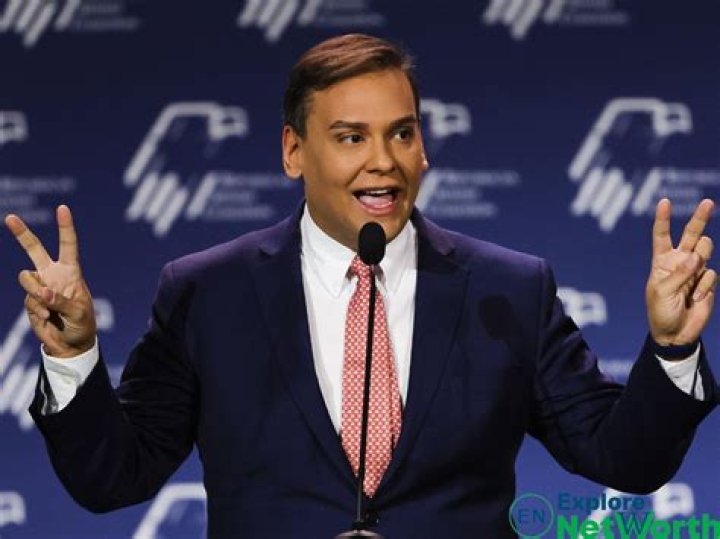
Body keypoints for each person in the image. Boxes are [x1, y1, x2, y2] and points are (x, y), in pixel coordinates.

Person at [4, 34, 718, 538]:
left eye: (402, 133)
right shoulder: (207, 293)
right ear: (293, 151)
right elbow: (114, 478)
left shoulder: (509, 290)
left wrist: (671, 347)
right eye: (351, 137)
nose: (384, 161)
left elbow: (623, 458)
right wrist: (72, 355)